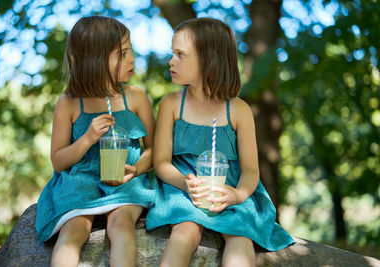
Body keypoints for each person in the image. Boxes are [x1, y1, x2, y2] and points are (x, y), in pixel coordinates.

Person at [146, 17, 294, 267]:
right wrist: (184, 183)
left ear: (207, 59)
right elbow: (161, 162)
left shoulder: (239, 111)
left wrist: (236, 195)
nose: (171, 61)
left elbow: (249, 171)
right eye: (173, 53)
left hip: (230, 190)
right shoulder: (171, 105)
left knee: (239, 239)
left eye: (180, 54)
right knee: (184, 232)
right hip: (185, 190)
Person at [35, 16, 155, 267]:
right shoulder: (68, 104)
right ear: (95, 60)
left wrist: (137, 170)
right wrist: (88, 138)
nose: (132, 59)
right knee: (74, 231)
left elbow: (154, 149)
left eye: (130, 50)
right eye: (122, 54)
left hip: (125, 184)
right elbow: (58, 161)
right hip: (82, 182)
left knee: (121, 226)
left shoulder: (136, 98)